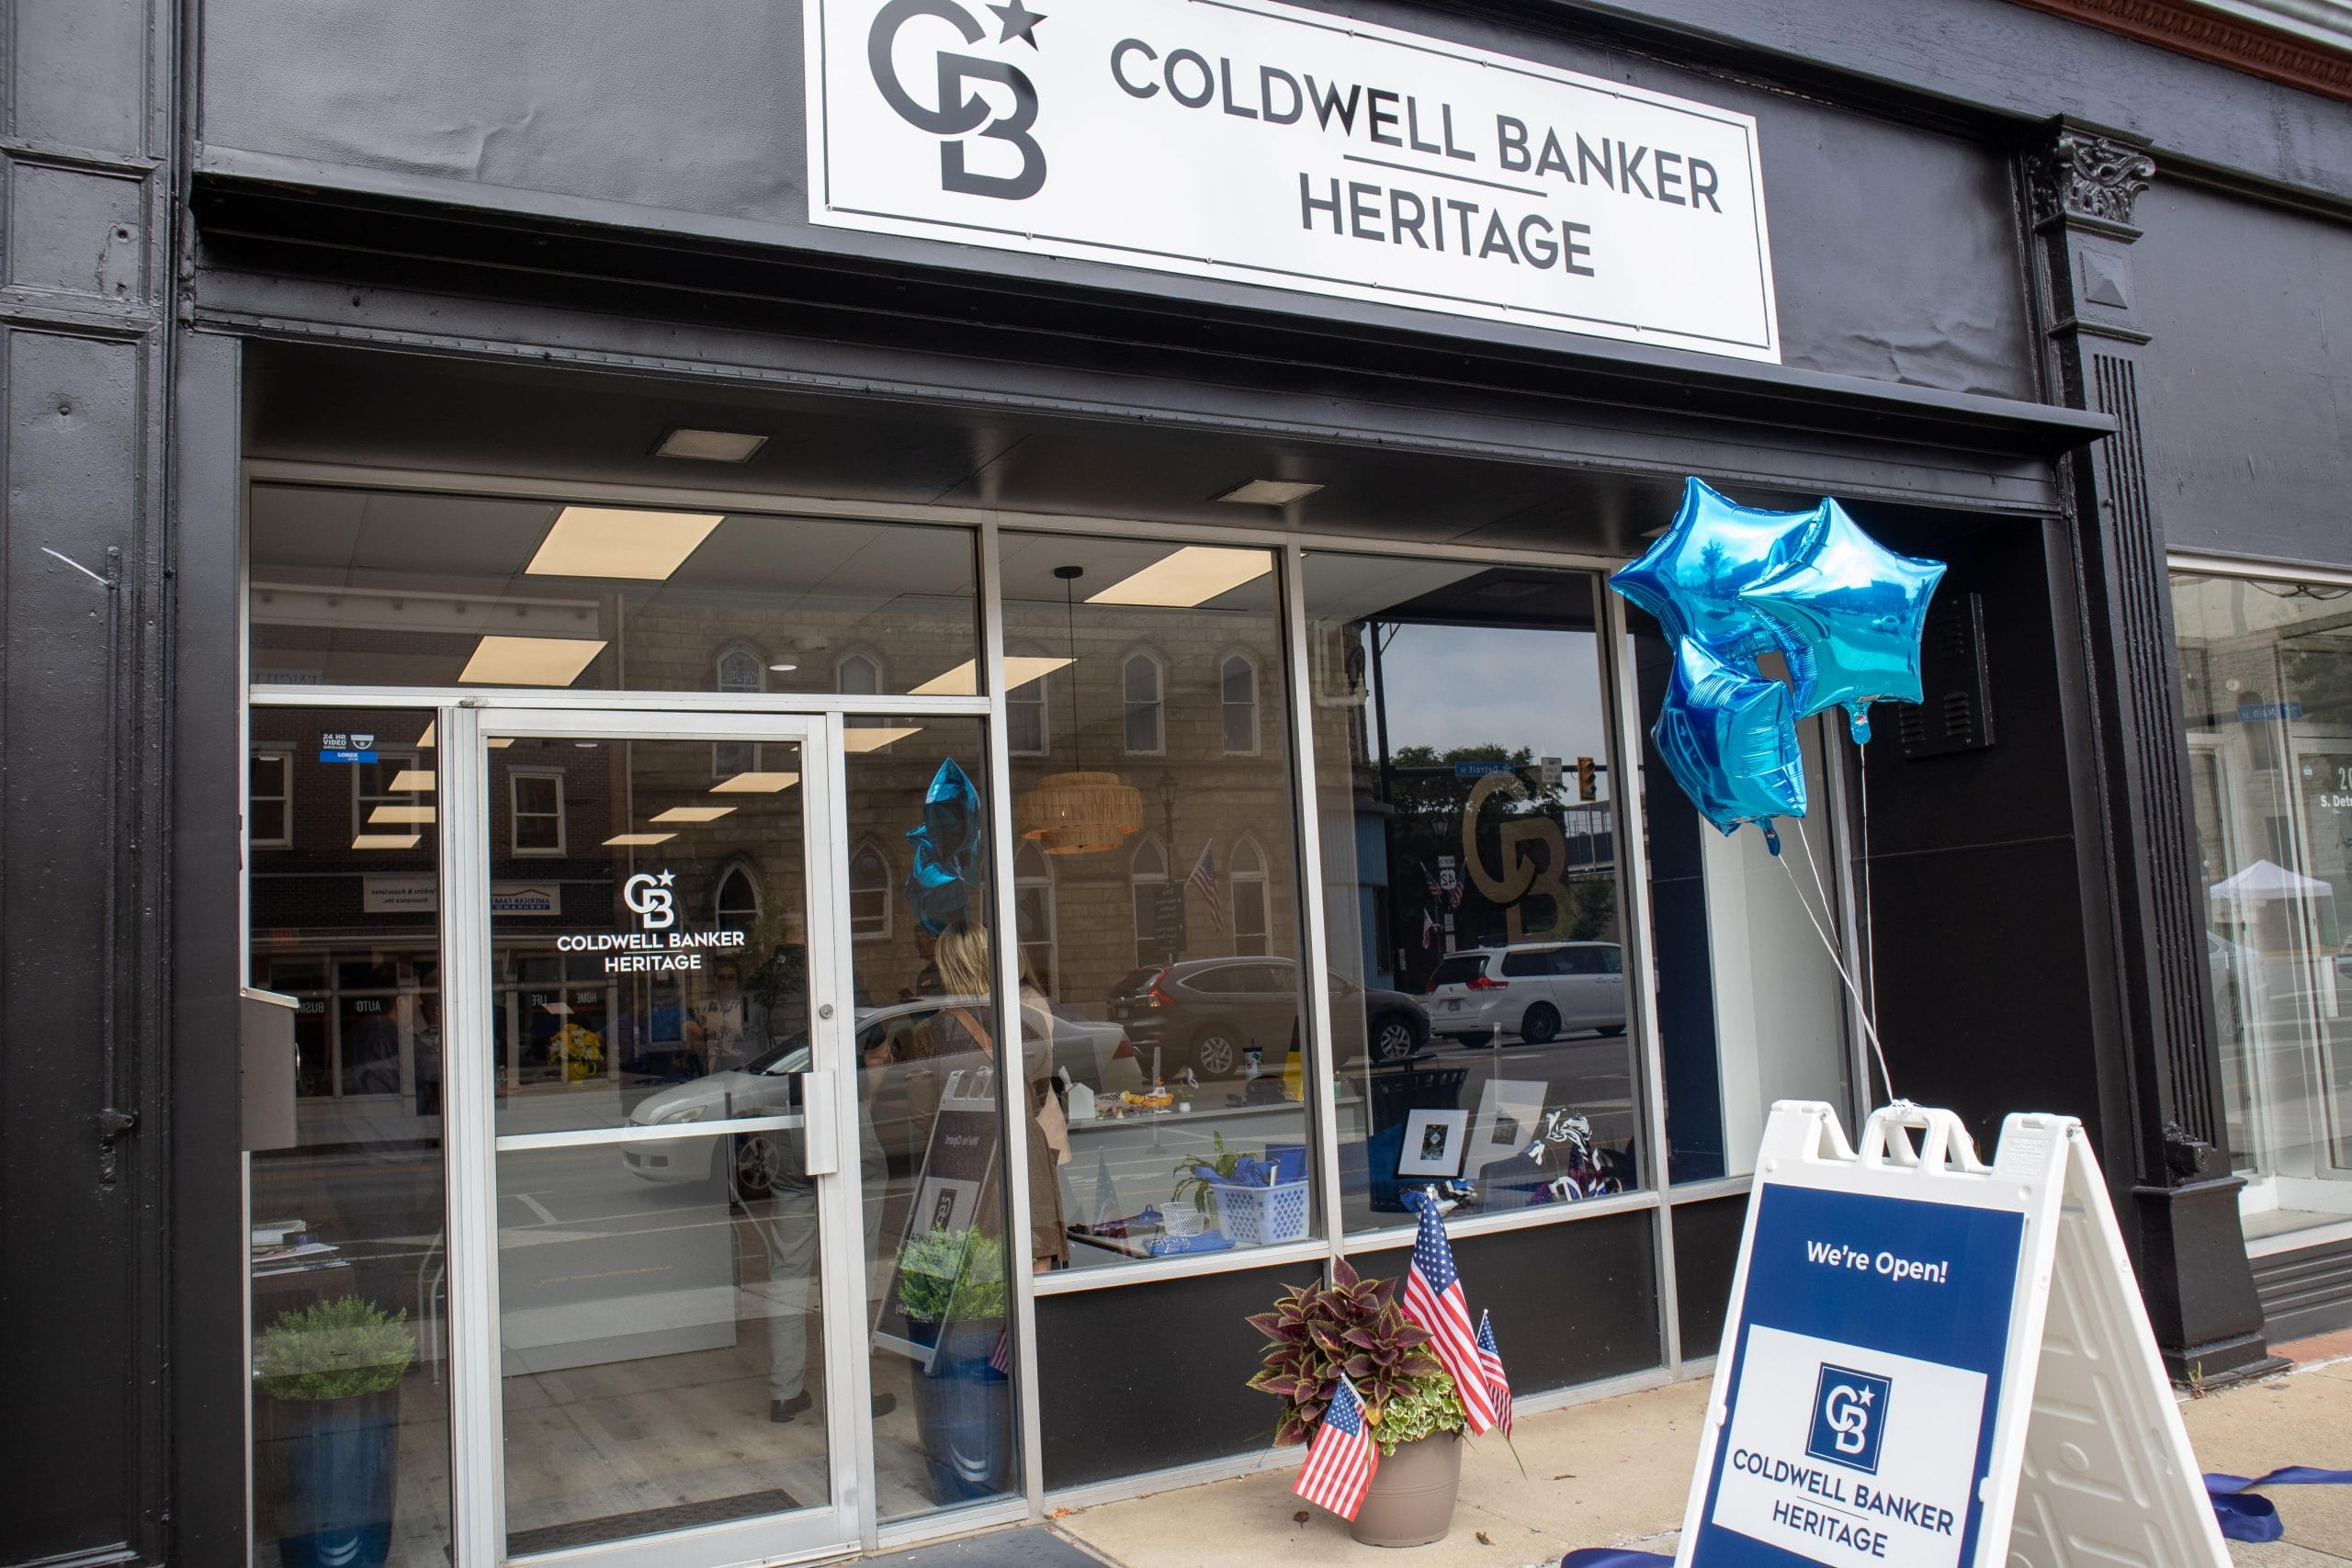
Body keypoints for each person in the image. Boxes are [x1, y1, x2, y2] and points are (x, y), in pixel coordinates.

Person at [910, 923, 1070, 1272]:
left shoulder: (930, 1032)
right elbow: (1039, 1094)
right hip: (1025, 1151)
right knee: (1035, 1262)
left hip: (962, 1156)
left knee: (969, 1274)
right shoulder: (1030, 1020)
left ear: (947, 968)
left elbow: (922, 1114)